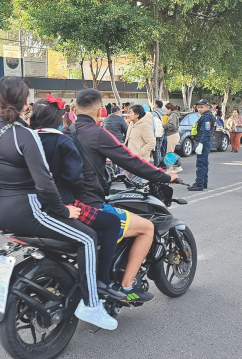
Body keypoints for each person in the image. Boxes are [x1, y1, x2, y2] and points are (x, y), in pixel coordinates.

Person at [0, 76, 117, 330]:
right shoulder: (24, 135)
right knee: (88, 239)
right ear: (26, 101)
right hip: (26, 210)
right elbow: (44, 184)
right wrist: (63, 210)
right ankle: (92, 306)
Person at [62, 89, 175, 303]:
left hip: (67, 206)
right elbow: (131, 161)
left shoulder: (65, 133)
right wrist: (165, 176)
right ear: (101, 110)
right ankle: (126, 287)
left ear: (75, 110)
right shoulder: (98, 133)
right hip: (91, 207)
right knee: (146, 228)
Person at [30, 96, 126, 300]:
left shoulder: (27, 139)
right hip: (64, 204)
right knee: (112, 223)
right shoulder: (62, 140)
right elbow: (75, 177)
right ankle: (102, 282)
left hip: (29, 205)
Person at [188, 99, 214, 191]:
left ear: (207, 107)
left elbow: (206, 131)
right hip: (205, 141)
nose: (199, 109)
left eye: (202, 107)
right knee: (204, 163)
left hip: (204, 141)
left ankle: (199, 184)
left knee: (201, 164)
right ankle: (203, 183)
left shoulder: (206, 117)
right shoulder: (205, 116)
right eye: (198, 107)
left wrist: (201, 144)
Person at [151, 101, 166, 166]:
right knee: (160, 149)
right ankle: (162, 164)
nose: (153, 106)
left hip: (156, 133)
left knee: (156, 150)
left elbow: (152, 124)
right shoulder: (164, 113)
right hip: (162, 132)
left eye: (154, 104)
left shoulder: (154, 113)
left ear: (156, 106)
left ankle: (157, 165)